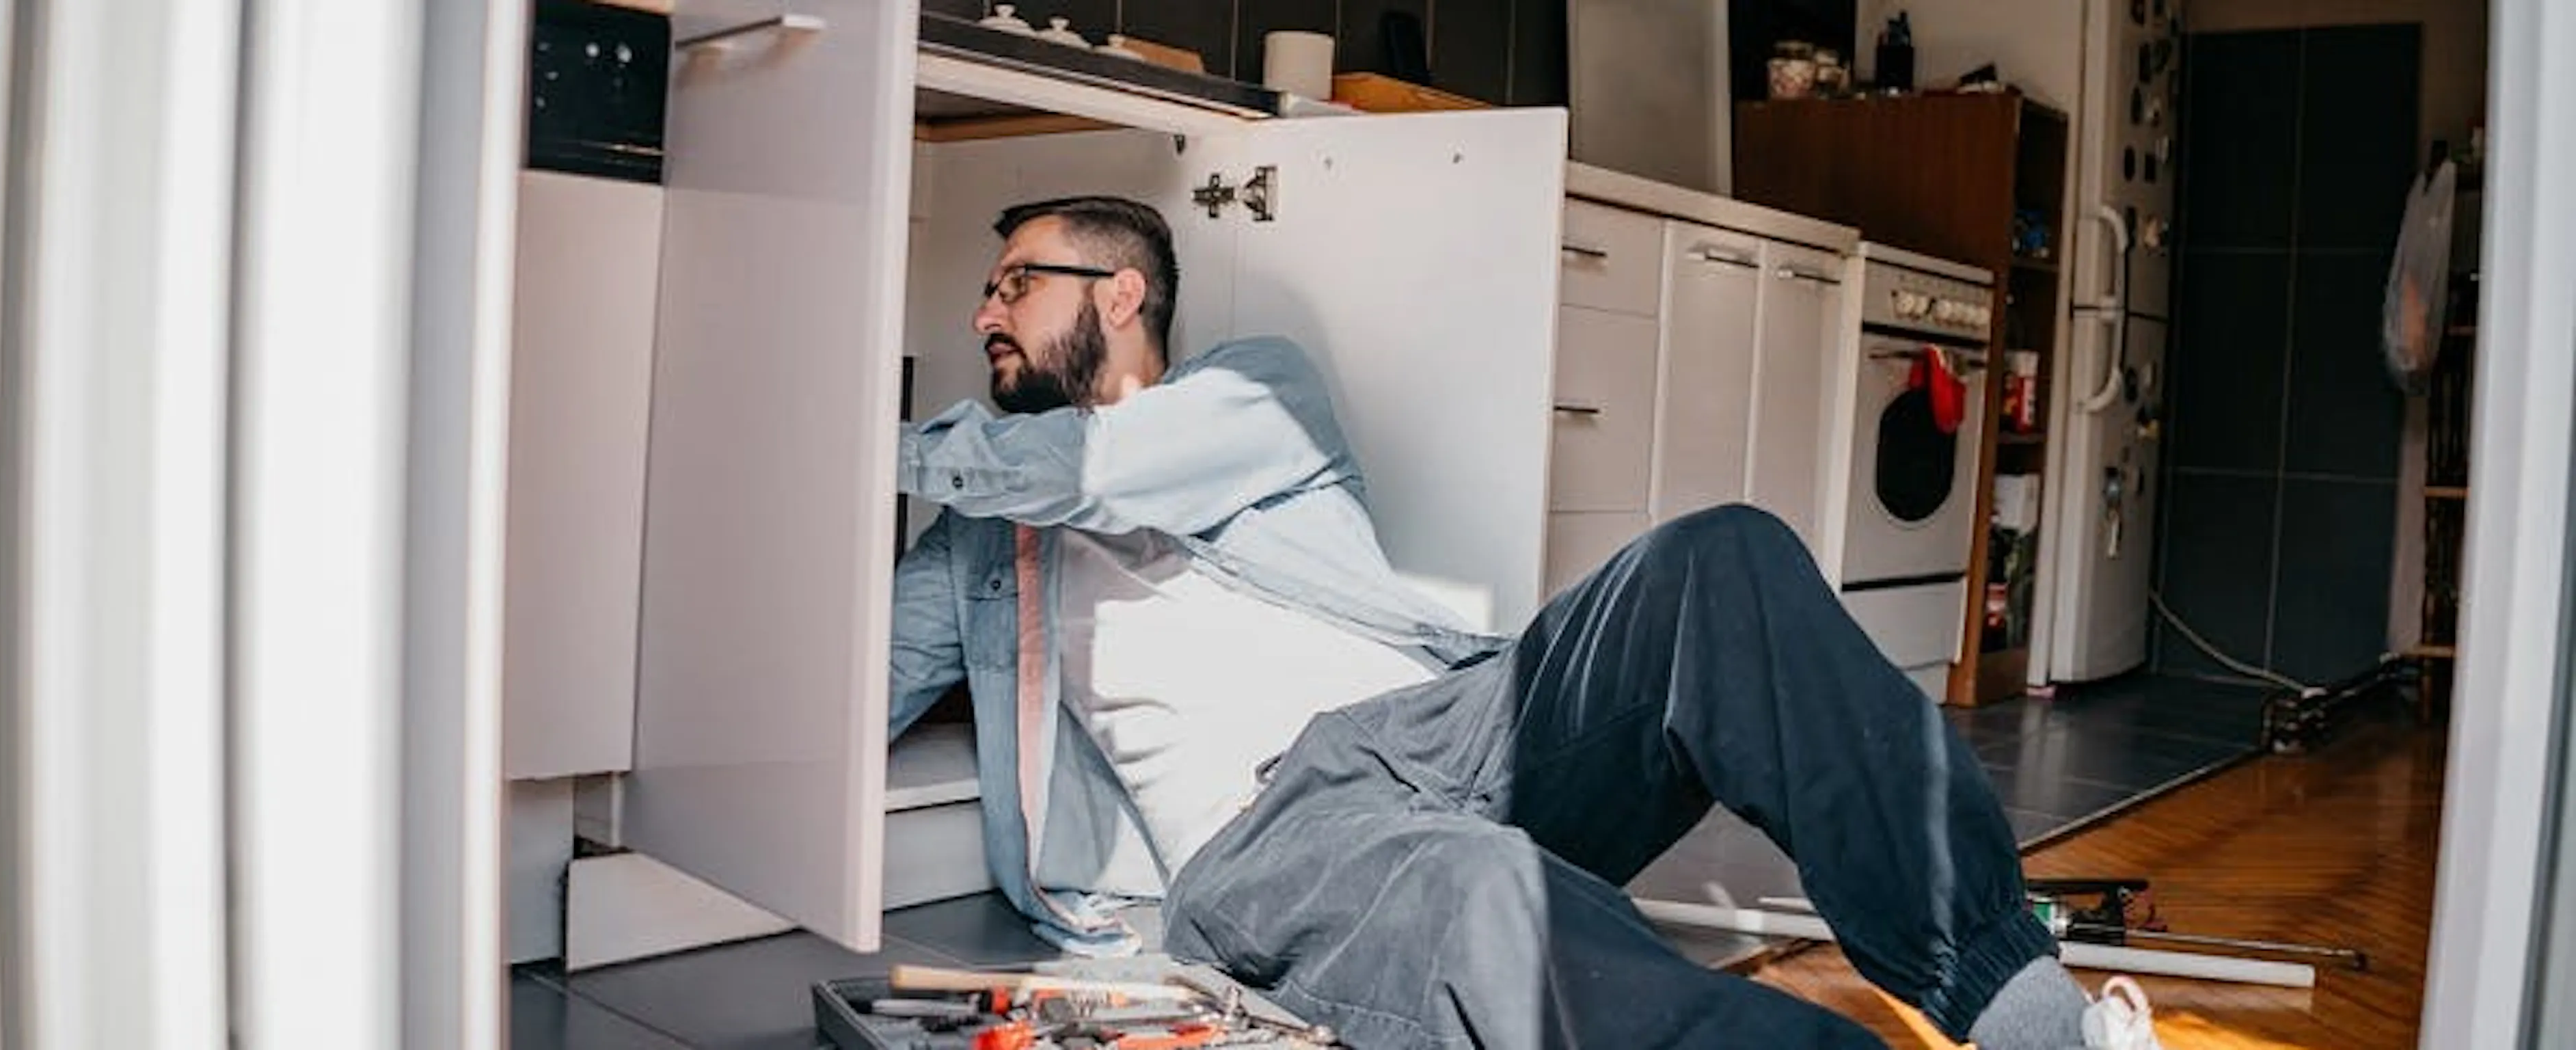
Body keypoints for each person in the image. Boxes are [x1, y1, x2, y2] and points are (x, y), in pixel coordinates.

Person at [889, 196, 2162, 1049]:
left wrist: (862, 431)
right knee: (1493, 900)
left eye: (1012, 284)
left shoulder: (1252, 391)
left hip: (1447, 727)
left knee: (1724, 557)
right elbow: (843, 681)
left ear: (1118, 294)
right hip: (1268, 833)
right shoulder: (976, 547)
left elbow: (1080, 465)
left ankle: (2025, 1013)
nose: (983, 315)